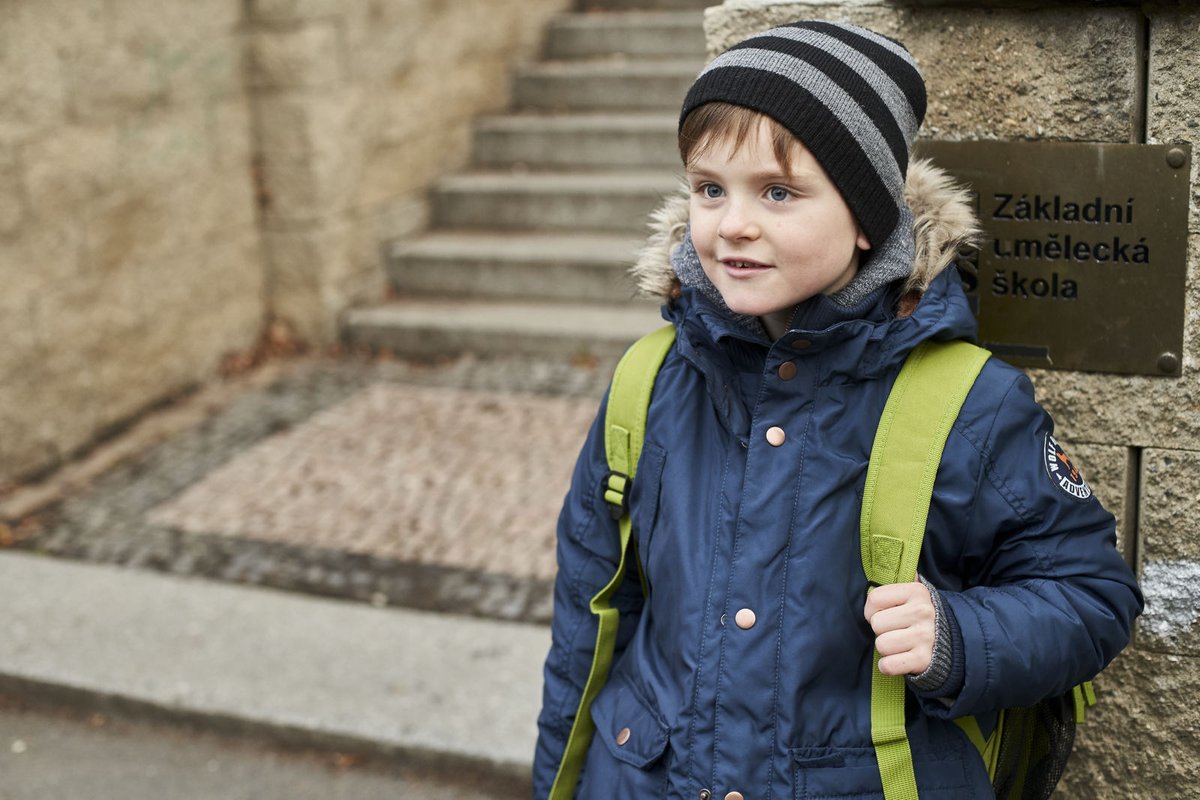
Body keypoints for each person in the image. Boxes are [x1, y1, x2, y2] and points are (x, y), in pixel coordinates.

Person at [534, 20, 1142, 799]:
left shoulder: (968, 403)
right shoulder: (651, 381)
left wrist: (961, 637)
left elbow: (1091, 595)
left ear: (865, 221)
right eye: (710, 189)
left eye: (779, 193)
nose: (733, 224)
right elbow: (588, 624)